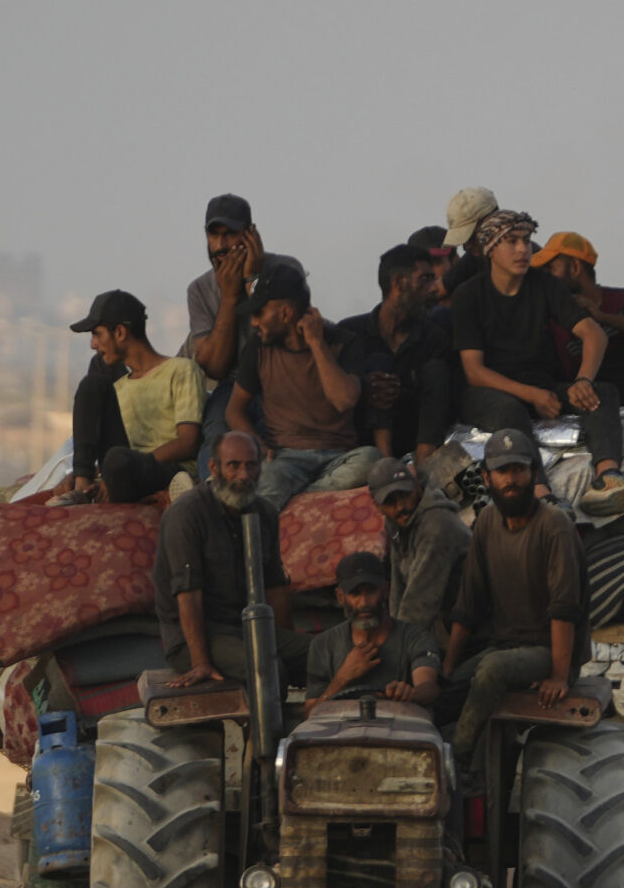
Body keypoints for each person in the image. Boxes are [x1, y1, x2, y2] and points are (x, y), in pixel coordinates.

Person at [449, 211, 624, 508]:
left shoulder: (544, 284)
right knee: (509, 411)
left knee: (602, 392)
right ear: (490, 249)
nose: (523, 249)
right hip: (490, 393)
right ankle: (541, 494)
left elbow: (594, 335)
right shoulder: (468, 295)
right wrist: (532, 395)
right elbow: (474, 371)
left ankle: (608, 477)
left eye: (526, 240)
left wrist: (583, 380)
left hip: (543, 385)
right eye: (511, 241)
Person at [441, 428, 584, 768]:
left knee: (492, 669)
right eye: (502, 472)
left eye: (519, 470)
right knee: (445, 691)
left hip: (546, 649)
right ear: (487, 477)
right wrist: (446, 668)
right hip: (504, 645)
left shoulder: (555, 526)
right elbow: (469, 603)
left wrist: (560, 676)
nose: (511, 480)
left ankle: (456, 760)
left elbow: (564, 608)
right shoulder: (487, 522)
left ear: (534, 474)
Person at [154, 431, 311, 687]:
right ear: (214, 468)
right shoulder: (186, 514)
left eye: (251, 465)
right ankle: (269, 727)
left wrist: (286, 642)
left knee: (322, 654)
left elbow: (274, 587)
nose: (243, 476)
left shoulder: (265, 512)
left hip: (247, 628)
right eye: (233, 466)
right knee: (268, 671)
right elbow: (188, 595)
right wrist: (200, 662)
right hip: (199, 636)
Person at [225, 263, 376, 505]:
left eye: (259, 313)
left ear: (285, 314)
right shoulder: (259, 348)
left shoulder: (343, 342)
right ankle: (308, 495)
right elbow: (234, 410)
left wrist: (316, 343)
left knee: (371, 460)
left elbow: (344, 400)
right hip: (286, 459)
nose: (254, 322)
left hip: (338, 458)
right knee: (268, 480)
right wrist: (257, 444)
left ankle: (301, 497)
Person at [181, 194, 303, 474]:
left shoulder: (286, 270)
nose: (221, 246)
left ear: (251, 235)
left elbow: (282, 341)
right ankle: (213, 489)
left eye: (230, 234)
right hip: (233, 387)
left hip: (284, 378)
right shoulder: (199, 290)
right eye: (214, 235)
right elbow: (214, 366)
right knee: (217, 437)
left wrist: (252, 282)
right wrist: (229, 297)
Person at [61, 290, 204, 504]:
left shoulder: (181, 370)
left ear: (119, 332)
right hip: (119, 468)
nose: (93, 345)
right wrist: (92, 473)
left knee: (118, 460)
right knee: (92, 385)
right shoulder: (117, 388)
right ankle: (82, 486)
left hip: (163, 469)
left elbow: (188, 441)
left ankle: (171, 489)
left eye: (97, 334)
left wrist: (136, 463)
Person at [338, 239, 454, 466]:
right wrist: (365, 387)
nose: (433, 288)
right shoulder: (350, 333)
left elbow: (442, 397)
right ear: (399, 282)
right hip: (362, 444)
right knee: (378, 367)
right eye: (425, 280)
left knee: (436, 370)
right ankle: (386, 464)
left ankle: (424, 464)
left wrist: (399, 390)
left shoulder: (434, 337)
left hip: (416, 435)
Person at [534, 232, 624, 401]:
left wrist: (604, 318)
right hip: (593, 400)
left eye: (551, 268)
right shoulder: (550, 314)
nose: (546, 278)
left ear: (575, 267)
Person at [307, 551, 442, 705]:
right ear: (340, 597)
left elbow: (429, 687)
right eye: (355, 594)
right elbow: (310, 714)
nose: (364, 603)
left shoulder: (416, 637)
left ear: (385, 590)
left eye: (370, 591)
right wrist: (342, 678)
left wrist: (410, 693)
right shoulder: (322, 645)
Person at [370, 455, 470, 633]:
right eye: (391, 501)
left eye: (405, 495)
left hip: (465, 624)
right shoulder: (395, 523)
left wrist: (399, 646)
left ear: (416, 486)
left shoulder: (437, 523)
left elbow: (421, 601)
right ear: (377, 506)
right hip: (439, 619)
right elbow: (398, 585)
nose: (401, 506)